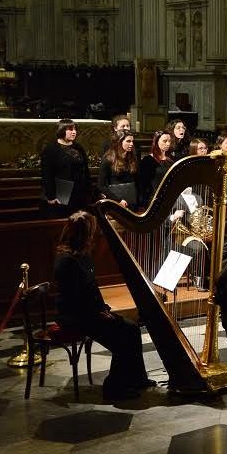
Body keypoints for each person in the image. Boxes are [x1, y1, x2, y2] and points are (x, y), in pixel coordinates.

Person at [54, 211, 152, 399]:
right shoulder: (67, 261)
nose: (95, 234)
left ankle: (138, 378)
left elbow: (91, 288)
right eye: (92, 231)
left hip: (90, 311)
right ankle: (114, 387)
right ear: (84, 234)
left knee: (132, 328)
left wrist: (103, 308)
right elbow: (75, 299)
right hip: (75, 316)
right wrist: (99, 313)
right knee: (122, 337)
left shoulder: (82, 255)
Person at [41, 119, 93, 215]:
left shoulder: (78, 147)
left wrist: (89, 190)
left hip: (79, 191)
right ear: (61, 130)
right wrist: (51, 196)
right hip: (62, 191)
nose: (74, 132)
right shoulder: (51, 149)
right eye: (70, 129)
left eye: (75, 129)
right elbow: (47, 174)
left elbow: (85, 170)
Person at [100, 130, 139, 209]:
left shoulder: (132, 158)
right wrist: (118, 200)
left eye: (132, 141)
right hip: (116, 201)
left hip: (131, 200)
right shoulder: (108, 159)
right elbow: (101, 185)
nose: (131, 144)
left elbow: (137, 180)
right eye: (128, 141)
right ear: (119, 142)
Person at [138, 131, 174, 205]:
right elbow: (143, 184)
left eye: (169, 141)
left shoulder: (170, 160)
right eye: (165, 141)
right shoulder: (148, 160)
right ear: (156, 141)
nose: (168, 144)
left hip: (169, 195)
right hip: (154, 197)